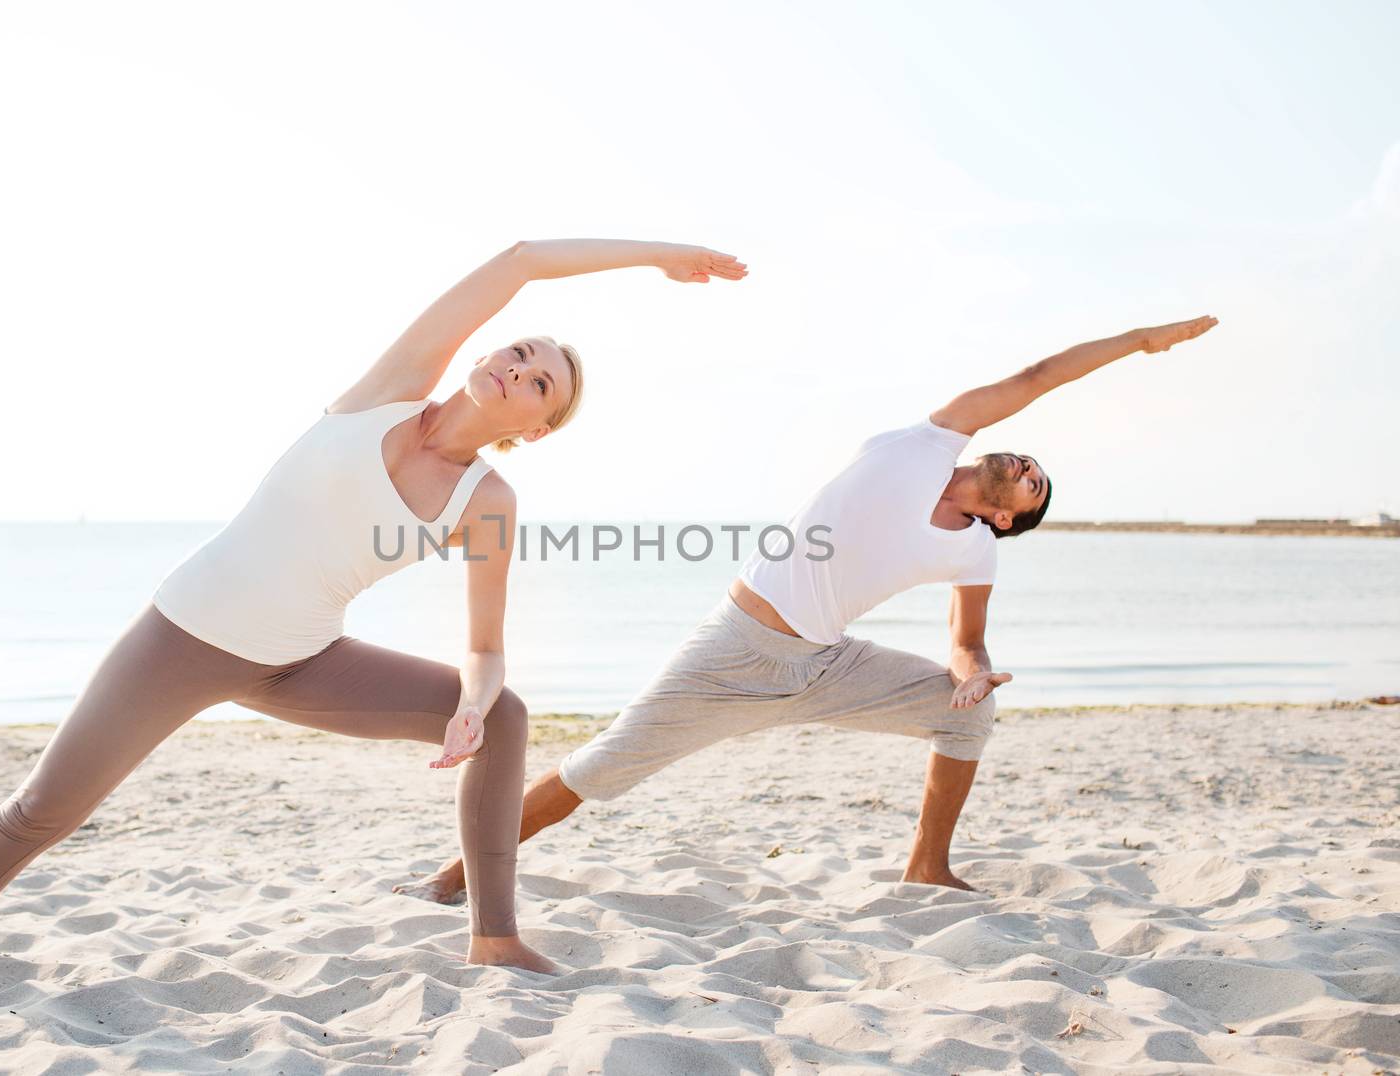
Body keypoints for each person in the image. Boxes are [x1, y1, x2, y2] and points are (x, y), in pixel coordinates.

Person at [0, 238, 749, 998]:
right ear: (482, 355)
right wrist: (658, 256)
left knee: (503, 716)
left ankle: (494, 937)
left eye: (541, 381)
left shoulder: (487, 497)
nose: (518, 367)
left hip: (299, 664)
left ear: (537, 429)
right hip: (181, 635)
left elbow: (486, 646)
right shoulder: (384, 393)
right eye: (519, 352)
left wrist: (473, 699)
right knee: (39, 812)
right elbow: (517, 262)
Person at [400, 315, 1219, 904]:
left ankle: (926, 866)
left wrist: (970, 677)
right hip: (734, 650)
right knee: (598, 770)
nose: (1025, 463)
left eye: (1034, 483)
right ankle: (455, 877)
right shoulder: (928, 439)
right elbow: (1040, 378)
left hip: (825, 663)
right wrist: (1140, 342)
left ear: (1007, 517)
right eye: (1030, 461)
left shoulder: (977, 552)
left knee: (970, 717)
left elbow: (967, 641)